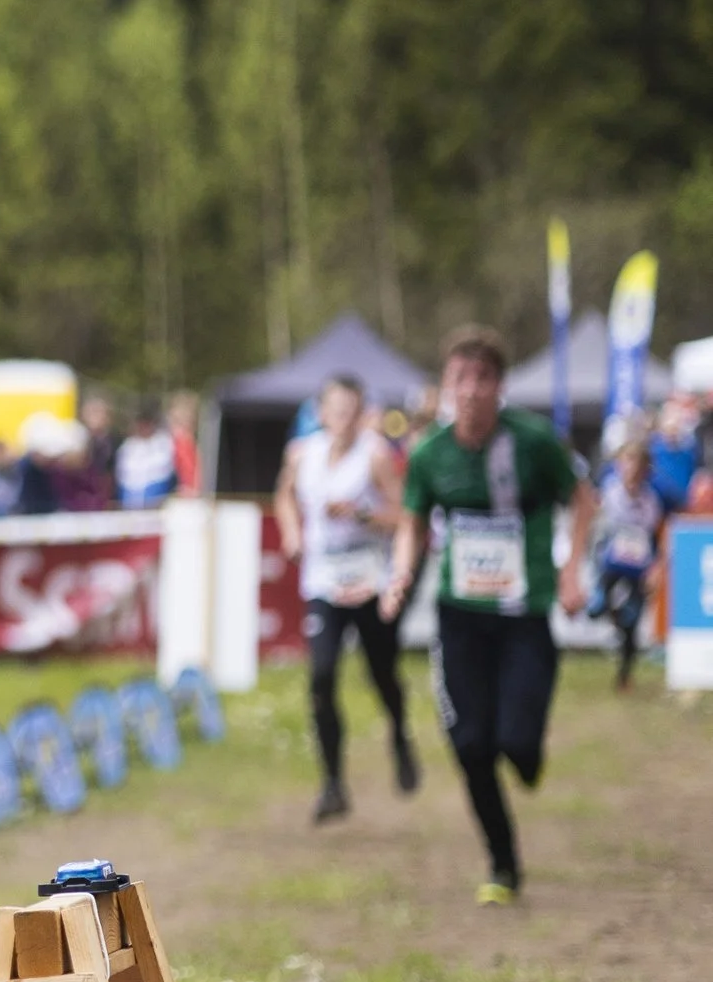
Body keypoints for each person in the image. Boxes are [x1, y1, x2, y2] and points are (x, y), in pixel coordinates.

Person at [382, 327, 593, 904]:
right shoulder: (430, 453)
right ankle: (503, 865)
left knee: (517, 745)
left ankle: (527, 756)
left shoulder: (532, 443)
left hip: (525, 615)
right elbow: (412, 523)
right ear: (446, 387)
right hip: (461, 617)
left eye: (483, 378)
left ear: (499, 385)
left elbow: (581, 498)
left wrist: (573, 570)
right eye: (460, 379)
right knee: (471, 745)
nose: (471, 391)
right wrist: (400, 574)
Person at [275, 373, 416, 822]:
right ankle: (333, 784)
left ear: (362, 414)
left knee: (382, 673)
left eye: (352, 412)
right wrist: (292, 532)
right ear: (321, 413)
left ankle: (399, 732)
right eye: (336, 411)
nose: (344, 420)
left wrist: (363, 513)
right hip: (323, 582)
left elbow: (402, 518)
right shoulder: (302, 453)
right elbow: (283, 497)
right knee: (320, 676)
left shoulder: (375, 455)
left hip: (369, 580)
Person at [590, 434, 664, 690]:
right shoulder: (608, 493)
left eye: (636, 463)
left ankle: (624, 677)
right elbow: (596, 534)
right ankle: (612, 612)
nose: (631, 469)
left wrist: (655, 568)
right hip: (609, 565)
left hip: (637, 568)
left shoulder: (652, 500)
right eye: (626, 461)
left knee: (631, 623)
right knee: (596, 608)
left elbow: (655, 538)